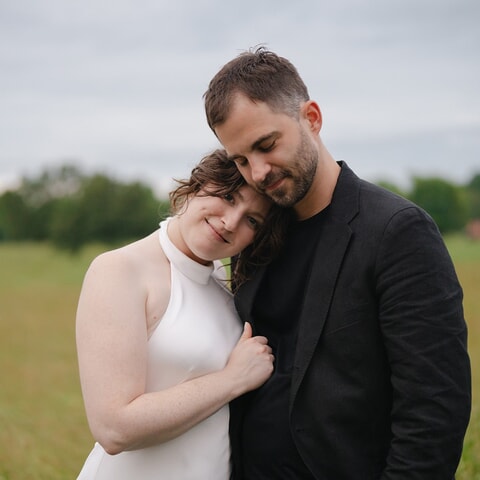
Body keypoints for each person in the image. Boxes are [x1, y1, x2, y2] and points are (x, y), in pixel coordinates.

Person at [203, 47, 471, 479]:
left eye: (267, 145)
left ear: (311, 118)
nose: (258, 172)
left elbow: (434, 410)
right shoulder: (254, 235)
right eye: (241, 159)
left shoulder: (397, 231)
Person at [75, 149, 290, 479]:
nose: (230, 222)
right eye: (229, 197)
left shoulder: (219, 278)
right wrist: (232, 379)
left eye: (252, 220)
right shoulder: (119, 270)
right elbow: (114, 429)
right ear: (197, 184)